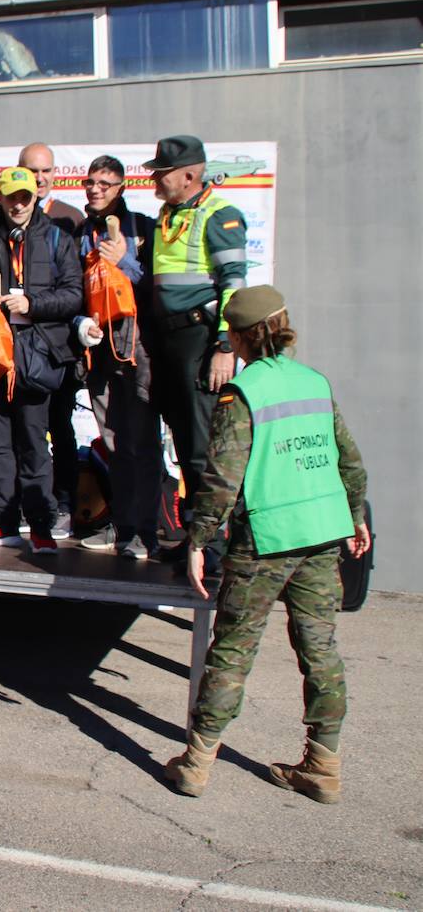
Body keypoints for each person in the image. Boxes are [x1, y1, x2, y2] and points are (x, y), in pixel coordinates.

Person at [165, 286, 369, 804]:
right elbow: (349, 460)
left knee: (233, 650)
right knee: (320, 650)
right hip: (322, 534)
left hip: (267, 541)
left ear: (237, 336)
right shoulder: (314, 383)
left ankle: (196, 764)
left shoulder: (243, 391)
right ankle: (323, 765)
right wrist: (356, 514)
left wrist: (199, 538)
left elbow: (223, 476)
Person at [0, 167, 82, 554]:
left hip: (36, 354)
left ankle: (41, 527)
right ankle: (2, 522)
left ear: (36, 198)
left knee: (33, 444)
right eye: (11, 197)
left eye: (25, 197)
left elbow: (73, 295)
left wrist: (34, 304)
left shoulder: (58, 238)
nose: (18, 204)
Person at [144, 135, 248, 561]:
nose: (155, 179)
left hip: (199, 339)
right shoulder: (166, 214)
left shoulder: (220, 214)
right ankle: (196, 540)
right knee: (184, 443)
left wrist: (225, 345)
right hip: (166, 340)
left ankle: (221, 548)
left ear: (188, 175)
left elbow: (234, 284)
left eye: (161, 172)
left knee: (205, 447)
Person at [72, 156, 162, 560]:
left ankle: (147, 531)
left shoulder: (143, 227)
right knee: (112, 441)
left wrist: (123, 259)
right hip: (99, 348)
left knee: (140, 442)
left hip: (136, 346)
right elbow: (73, 289)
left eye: (105, 183)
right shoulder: (79, 233)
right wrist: (79, 324)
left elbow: (154, 289)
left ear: (122, 187)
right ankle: (123, 527)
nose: (95, 189)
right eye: (90, 182)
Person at [20, 142, 86, 535]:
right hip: (21, 346)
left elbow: (74, 288)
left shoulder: (69, 219)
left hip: (59, 345)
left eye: (45, 171)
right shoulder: (4, 218)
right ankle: (33, 503)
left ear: (55, 175)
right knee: (25, 432)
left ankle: (63, 503)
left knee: (60, 427)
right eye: (32, 171)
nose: (39, 178)